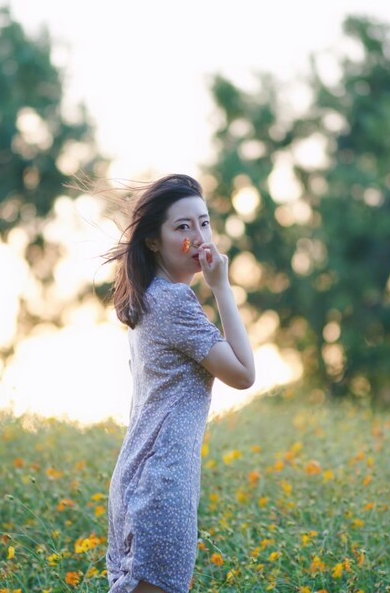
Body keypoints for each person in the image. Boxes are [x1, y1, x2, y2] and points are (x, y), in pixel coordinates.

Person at [103, 174, 255, 593]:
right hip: (161, 486)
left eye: (204, 223)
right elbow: (243, 374)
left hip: (140, 481)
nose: (199, 238)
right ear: (154, 241)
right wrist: (221, 288)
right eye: (183, 227)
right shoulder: (172, 301)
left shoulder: (150, 297)